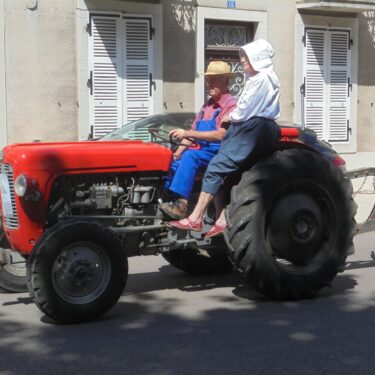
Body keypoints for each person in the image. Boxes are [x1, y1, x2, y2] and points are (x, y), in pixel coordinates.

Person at [169, 39, 281, 238]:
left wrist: (232, 116)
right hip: (246, 129)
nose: (243, 61)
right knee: (196, 165)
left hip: (248, 129)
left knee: (213, 167)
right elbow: (195, 129)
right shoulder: (207, 106)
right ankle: (213, 217)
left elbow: (242, 112)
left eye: (246, 58)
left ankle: (194, 217)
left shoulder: (257, 82)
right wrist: (177, 150)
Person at [159, 61, 237, 220]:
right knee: (172, 161)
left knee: (190, 157)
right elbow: (193, 132)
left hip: (218, 151)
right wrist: (177, 153)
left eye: (213, 79)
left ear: (226, 81)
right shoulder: (207, 105)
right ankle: (164, 199)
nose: (209, 83)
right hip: (200, 149)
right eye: (208, 79)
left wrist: (187, 134)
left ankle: (181, 205)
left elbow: (221, 135)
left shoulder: (231, 105)